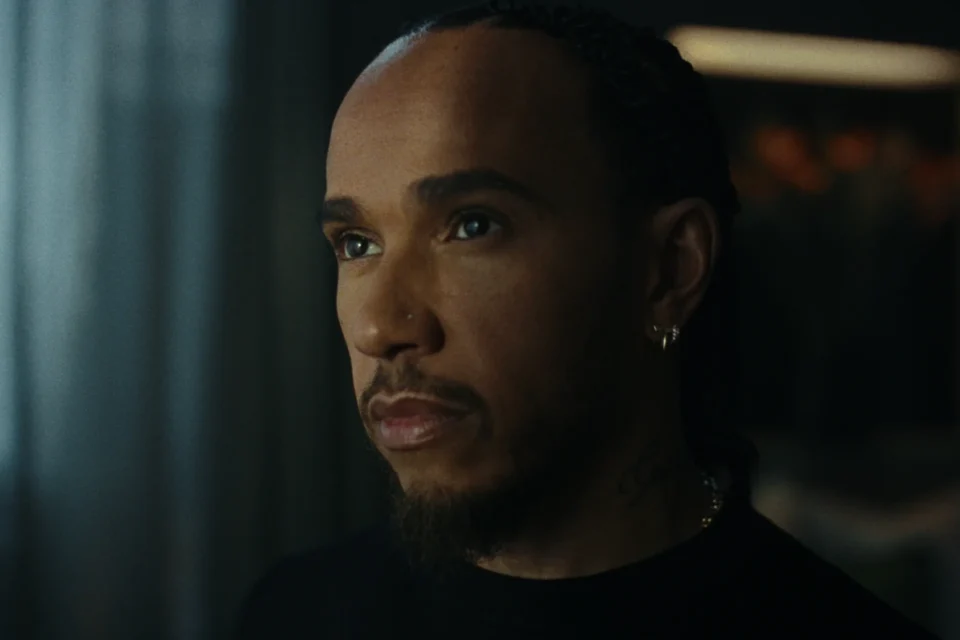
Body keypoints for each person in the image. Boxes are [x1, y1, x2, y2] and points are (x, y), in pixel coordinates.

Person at [235, 2, 938, 637]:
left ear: (669, 269)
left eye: (473, 225)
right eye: (357, 244)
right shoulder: (297, 612)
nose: (380, 327)